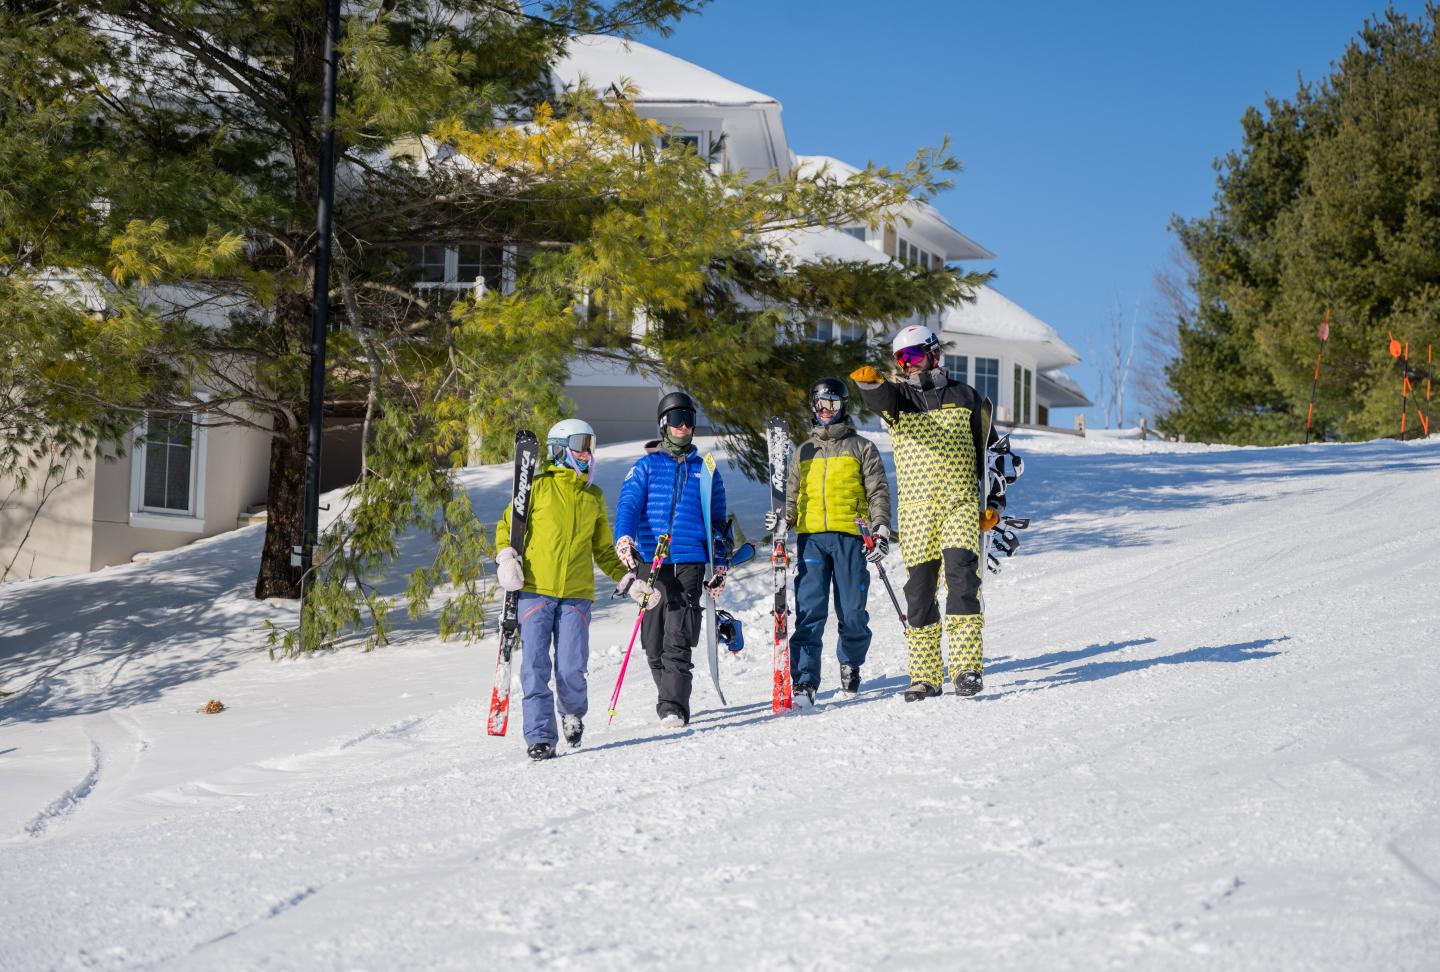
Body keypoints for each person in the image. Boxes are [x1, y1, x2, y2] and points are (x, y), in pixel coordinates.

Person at [849, 325, 1005, 701]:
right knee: (919, 593)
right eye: (902, 360)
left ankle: (966, 668)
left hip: (960, 504)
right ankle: (925, 677)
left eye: (915, 357)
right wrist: (869, 383)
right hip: (917, 512)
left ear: (934, 355)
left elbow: (992, 453)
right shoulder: (899, 399)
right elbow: (878, 397)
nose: (909, 367)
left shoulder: (965, 396)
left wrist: (995, 504)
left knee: (962, 582)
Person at [495, 418, 651, 760]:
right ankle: (539, 736)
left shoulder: (592, 497)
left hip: (577, 594)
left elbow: (604, 550)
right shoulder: (536, 489)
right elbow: (507, 527)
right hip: (535, 590)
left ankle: (572, 714)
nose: (587, 452)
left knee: (570, 666)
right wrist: (507, 558)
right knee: (535, 666)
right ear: (560, 448)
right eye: (581, 444)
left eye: (591, 444)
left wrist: (628, 579)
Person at [763, 377, 891, 706]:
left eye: (832, 404)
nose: (825, 411)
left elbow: (877, 492)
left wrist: (880, 528)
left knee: (851, 611)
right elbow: (791, 496)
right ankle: (805, 680)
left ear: (843, 407)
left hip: (850, 538)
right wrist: (783, 520)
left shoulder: (862, 447)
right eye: (820, 404)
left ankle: (850, 662)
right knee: (810, 611)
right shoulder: (803, 451)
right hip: (812, 540)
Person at [614, 392, 730, 728]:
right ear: (664, 423)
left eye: (689, 419)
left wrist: (720, 563)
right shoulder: (646, 466)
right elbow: (628, 506)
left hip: (691, 560)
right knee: (653, 641)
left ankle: (673, 707)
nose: (683, 426)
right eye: (677, 418)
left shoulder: (706, 471)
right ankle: (669, 692)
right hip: (652, 560)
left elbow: (719, 521)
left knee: (679, 635)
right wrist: (625, 539)